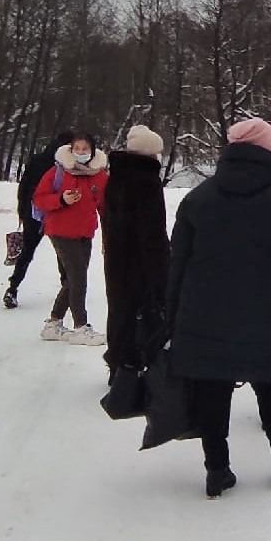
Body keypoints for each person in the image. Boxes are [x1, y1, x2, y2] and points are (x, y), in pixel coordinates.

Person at [167, 117, 271, 498]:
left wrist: (171, 318)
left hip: (205, 316)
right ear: (270, 152)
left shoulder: (198, 199)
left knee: (213, 394)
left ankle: (216, 471)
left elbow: (178, 263)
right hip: (266, 317)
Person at [100, 124, 170, 385]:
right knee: (142, 311)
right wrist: (162, 274)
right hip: (140, 261)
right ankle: (133, 367)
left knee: (118, 309)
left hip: (116, 255)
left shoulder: (116, 176)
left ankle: (117, 363)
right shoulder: (146, 181)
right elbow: (151, 232)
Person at [32, 131, 109, 345]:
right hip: (60, 231)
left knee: (72, 279)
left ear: (92, 151)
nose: (81, 153)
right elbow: (39, 199)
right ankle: (80, 326)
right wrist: (61, 199)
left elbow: (105, 208)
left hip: (85, 232)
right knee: (78, 278)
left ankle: (53, 324)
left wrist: (107, 237)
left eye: (85, 149)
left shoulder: (100, 176)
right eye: (77, 149)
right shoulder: (57, 172)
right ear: (70, 150)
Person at [4, 130, 75, 309]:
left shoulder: (37, 159)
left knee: (27, 251)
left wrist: (22, 211)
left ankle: (13, 288)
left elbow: (24, 187)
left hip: (32, 212)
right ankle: (67, 288)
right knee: (62, 251)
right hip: (56, 212)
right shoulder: (67, 165)